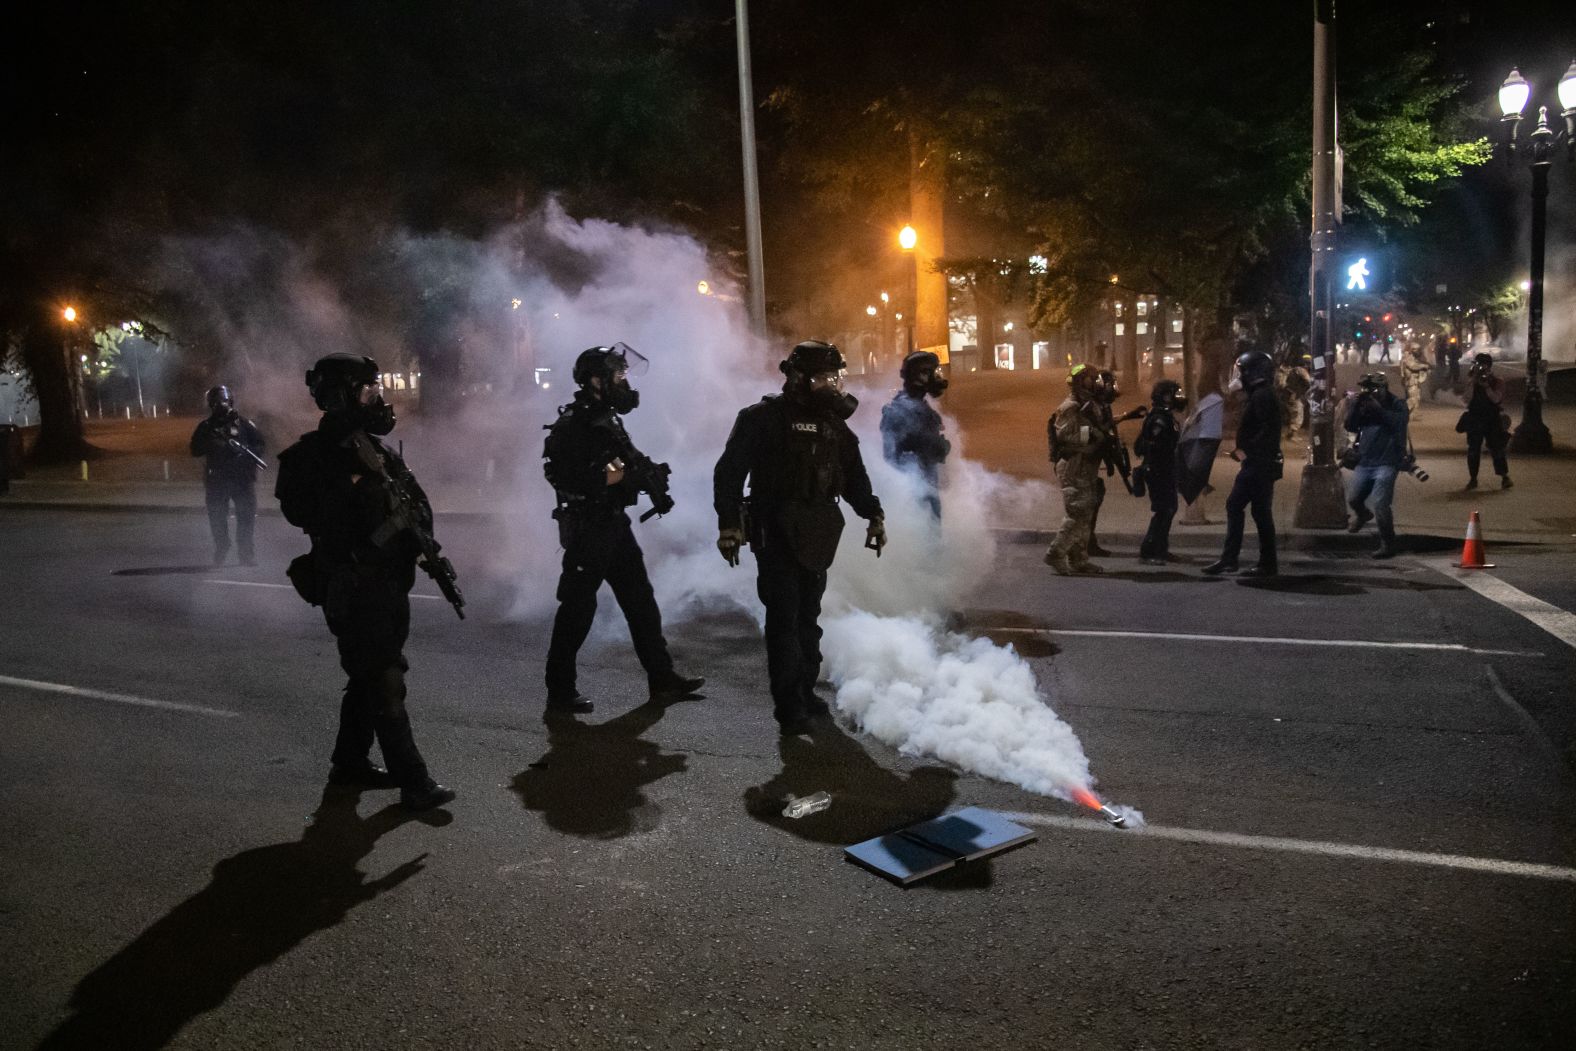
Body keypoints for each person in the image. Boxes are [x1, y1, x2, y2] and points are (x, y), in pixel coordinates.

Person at [274, 354, 455, 811]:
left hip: (389, 586)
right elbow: (307, 512)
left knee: (368, 677)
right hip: (354, 589)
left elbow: (414, 505)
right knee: (385, 681)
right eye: (368, 391)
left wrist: (424, 544)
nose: (378, 400)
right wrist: (348, 484)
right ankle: (413, 779)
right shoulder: (314, 457)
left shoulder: (375, 450)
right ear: (342, 396)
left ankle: (349, 762)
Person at [714, 340, 885, 735]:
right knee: (784, 618)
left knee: (809, 616)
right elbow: (728, 474)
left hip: (817, 531)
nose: (833, 385)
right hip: (774, 530)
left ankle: (805, 691)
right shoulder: (762, 418)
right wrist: (729, 525)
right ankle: (789, 705)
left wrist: (873, 514)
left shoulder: (833, 425)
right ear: (797, 377)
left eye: (836, 377)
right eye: (824, 377)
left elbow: (855, 477)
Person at [541, 345, 705, 717]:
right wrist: (623, 476)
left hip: (614, 524)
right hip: (589, 528)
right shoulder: (576, 424)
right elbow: (574, 475)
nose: (624, 382)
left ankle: (662, 678)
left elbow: (623, 459)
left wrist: (648, 475)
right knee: (578, 609)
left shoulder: (607, 419)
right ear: (596, 381)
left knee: (641, 603)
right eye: (618, 375)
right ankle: (560, 689)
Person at [1204, 349, 1283, 577]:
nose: (1239, 376)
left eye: (1242, 371)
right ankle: (1265, 563)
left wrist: (1245, 452)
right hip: (1260, 464)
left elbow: (1267, 432)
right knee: (1260, 512)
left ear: (1253, 372)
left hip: (1257, 465)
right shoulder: (1261, 394)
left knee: (1235, 505)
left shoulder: (1262, 396)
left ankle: (1232, 560)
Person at [1042, 364, 1107, 575]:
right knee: (1077, 512)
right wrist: (1096, 434)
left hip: (1084, 465)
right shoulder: (1070, 406)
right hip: (1073, 466)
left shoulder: (1086, 404)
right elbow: (1067, 436)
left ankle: (1079, 559)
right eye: (1092, 378)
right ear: (1082, 381)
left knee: (1085, 513)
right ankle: (1056, 553)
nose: (1096, 383)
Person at [189, 385, 265, 566]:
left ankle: (246, 554)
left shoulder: (245, 424)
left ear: (231, 402)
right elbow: (195, 450)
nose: (222, 406)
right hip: (217, 481)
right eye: (217, 402)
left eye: (224, 401)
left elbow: (260, 445)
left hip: (242, 480)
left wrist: (245, 455)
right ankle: (222, 547)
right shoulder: (206, 427)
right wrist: (214, 445)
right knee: (217, 519)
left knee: (246, 519)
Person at [1343, 372, 1409, 559]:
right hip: (1365, 460)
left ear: (1383, 388)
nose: (1368, 393)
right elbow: (1350, 426)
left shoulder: (1397, 404)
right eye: (1365, 389)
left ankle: (1388, 543)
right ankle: (1363, 515)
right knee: (1354, 499)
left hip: (1387, 462)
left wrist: (1379, 410)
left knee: (1381, 504)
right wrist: (1355, 407)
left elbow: (1399, 423)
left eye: (1371, 389)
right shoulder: (1364, 404)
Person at [880, 350, 950, 518]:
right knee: (925, 535)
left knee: (932, 534)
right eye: (930, 373)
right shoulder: (900, 410)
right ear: (918, 376)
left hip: (926, 486)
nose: (935, 377)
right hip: (915, 492)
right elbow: (891, 456)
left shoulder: (919, 406)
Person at [1135, 380, 1184, 565]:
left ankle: (1161, 549)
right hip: (1157, 470)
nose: (1177, 398)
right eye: (1173, 394)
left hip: (1165, 469)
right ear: (1164, 396)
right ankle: (1148, 551)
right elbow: (1155, 445)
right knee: (1163, 510)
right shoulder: (1159, 418)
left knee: (1169, 508)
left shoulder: (1166, 416)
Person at [1457, 352, 1512, 490]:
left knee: (1497, 448)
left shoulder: (1497, 381)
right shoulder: (1472, 381)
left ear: (1489, 367)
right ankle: (1473, 478)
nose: (1480, 368)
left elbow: (1496, 399)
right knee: (1473, 450)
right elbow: (1466, 399)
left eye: (1482, 365)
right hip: (1475, 418)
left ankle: (1504, 477)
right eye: (1477, 365)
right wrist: (1473, 382)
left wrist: (1486, 386)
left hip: (1491, 418)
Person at [1177, 378, 1224, 524]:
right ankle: (1194, 516)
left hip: (1199, 439)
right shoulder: (1214, 402)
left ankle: (1193, 515)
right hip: (1205, 440)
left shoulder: (1205, 404)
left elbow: (1191, 423)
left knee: (1195, 477)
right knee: (1196, 478)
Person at [1400, 342, 1431, 413]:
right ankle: (1401, 411)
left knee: (1416, 398)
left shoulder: (1414, 358)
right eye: (1417, 350)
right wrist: (1423, 366)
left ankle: (1412, 414)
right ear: (1412, 350)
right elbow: (1413, 366)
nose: (1418, 352)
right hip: (1410, 381)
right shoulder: (1407, 357)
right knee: (1412, 399)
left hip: (1415, 381)